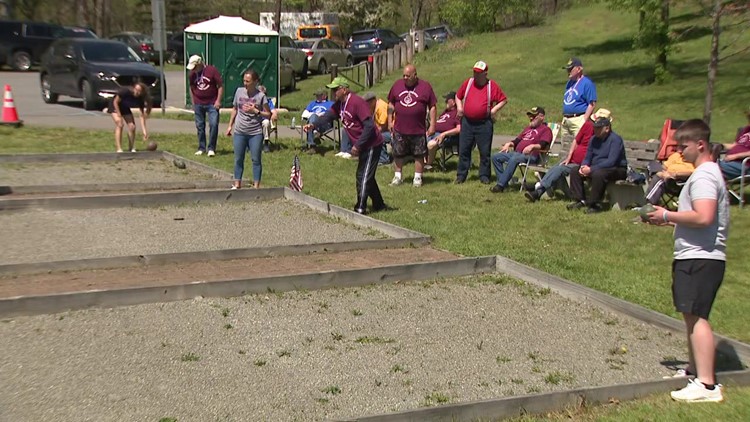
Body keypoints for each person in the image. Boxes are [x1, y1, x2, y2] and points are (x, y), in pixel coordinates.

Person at [645, 119, 729, 403]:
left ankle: (707, 384)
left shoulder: (704, 175)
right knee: (690, 315)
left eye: (684, 146)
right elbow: (701, 221)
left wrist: (667, 215)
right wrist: (667, 222)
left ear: (700, 144)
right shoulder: (706, 174)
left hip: (701, 257)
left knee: (697, 318)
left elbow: (704, 216)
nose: (680, 152)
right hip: (696, 252)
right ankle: (695, 370)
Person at [304, 77, 388, 214]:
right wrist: (313, 124)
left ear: (344, 89)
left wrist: (358, 145)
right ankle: (379, 204)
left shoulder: (357, 102)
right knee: (368, 175)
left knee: (363, 175)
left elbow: (369, 126)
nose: (334, 92)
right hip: (362, 144)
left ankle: (360, 206)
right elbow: (328, 116)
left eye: (336, 89)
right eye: (332, 89)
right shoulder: (340, 104)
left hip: (372, 143)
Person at [524, 108, 609, 202]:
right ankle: (538, 191)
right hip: (571, 159)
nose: (594, 124)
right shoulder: (588, 125)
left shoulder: (603, 137)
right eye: (594, 121)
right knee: (555, 167)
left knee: (559, 169)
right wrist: (569, 156)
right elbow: (576, 140)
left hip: (581, 164)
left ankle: (538, 188)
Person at [455, 60, 508, 184]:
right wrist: (459, 108)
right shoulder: (468, 83)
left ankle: (484, 175)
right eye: (474, 72)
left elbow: (503, 100)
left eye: (478, 73)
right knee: (464, 149)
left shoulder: (491, 86)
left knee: (484, 151)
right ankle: (461, 175)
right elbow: (458, 96)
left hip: (484, 123)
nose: (476, 75)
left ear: (485, 73)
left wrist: (494, 110)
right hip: (467, 122)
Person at [387, 64, 437, 187]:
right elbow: (391, 104)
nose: (405, 78)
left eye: (408, 76)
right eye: (403, 75)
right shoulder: (397, 85)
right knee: (398, 153)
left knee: (419, 154)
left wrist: (432, 125)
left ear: (415, 75)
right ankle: (397, 176)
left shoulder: (425, 87)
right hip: (400, 128)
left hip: (418, 129)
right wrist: (389, 121)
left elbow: (432, 106)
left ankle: (418, 177)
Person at [567, 114, 627, 213]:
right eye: (595, 128)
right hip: (598, 167)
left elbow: (612, 161)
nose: (595, 130)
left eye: (599, 128)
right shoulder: (593, 139)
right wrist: (584, 166)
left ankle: (594, 204)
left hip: (617, 169)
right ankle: (580, 200)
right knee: (574, 171)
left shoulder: (615, 139)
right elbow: (588, 157)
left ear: (607, 128)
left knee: (599, 174)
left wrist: (591, 169)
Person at [489, 107, 552, 193]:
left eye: (534, 116)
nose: (531, 118)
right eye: (530, 116)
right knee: (496, 157)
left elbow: (543, 145)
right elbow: (517, 140)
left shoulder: (546, 130)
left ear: (541, 117)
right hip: (517, 153)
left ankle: (500, 186)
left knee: (514, 159)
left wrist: (532, 146)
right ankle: (504, 183)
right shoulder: (528, 128)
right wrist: (509, 144)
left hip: (531, 156)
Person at [226, 70, 271, 190]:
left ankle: (256, 186)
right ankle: (237, 184)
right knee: (238, 158)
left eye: (248, 81)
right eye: (244, 80)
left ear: (255, 82)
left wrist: (256, 111)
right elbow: (235, 109)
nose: (245, 83)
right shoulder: (239, 92)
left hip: (255, 132)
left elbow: (269, 114)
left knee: (256, 159)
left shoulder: (261, 96)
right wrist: (230, 125)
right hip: (240, 131)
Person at [187, 55, 223, 157]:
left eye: (194, 67)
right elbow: (191, 87)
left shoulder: (212, 70)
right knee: (200, 126)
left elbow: (220, 85)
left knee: (214, 124)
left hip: (212, 103)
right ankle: (201, 147)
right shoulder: (192, 74)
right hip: (198, 103)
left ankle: (211, 148)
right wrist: (193, 102)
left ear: (199, 64)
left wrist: (218, 101)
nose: (193, 69)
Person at [107, 82, 151, 153]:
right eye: (136, 90)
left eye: (139, 91)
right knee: (120, 124)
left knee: (132, 126)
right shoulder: (125, 91)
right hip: (115, 106)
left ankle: (131, 147)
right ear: (133, 88)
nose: (137, 92)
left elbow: (142, 116)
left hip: (124, 107)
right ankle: (119, 148)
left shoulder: (140, 99)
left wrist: (144, 131)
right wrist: (119, 115)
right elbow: (115, 102)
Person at [561, 57, 596, 141]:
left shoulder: (587, 83)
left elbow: (592, 103)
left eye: (570, 69)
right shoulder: (569, 83)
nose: (568, 72)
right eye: (567, 70)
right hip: (566, 119)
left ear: (579, 69)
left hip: (578, 118)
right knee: (565, 147)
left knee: (578, 145)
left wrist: (584, 120)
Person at [425, 91, 461, 171]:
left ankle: (428, 164)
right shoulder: (446, 112)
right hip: (433, 133)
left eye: (447, 100)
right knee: (418, 139)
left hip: (445, 136)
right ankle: (421, 161)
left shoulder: (457, 113)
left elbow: (459, 129)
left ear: (453, 102)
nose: (445, 102)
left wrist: (444, 134)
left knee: (431, 144)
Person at [716, 108, 750, 180]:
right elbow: (735, 145)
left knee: (709, 166)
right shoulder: (747, 129)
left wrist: (735, 156)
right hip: (730, 162)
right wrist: (718, 145)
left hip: (745, 164)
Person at [301, 89, 335, 155]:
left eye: (319, 95)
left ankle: (312, 146)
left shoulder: (330, 104)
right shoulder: (312, 103)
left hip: (325, 124)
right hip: (312, 121)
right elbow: (304, 114)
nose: (317, 97)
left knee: (311, 123)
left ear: (325, 96)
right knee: (313, 117)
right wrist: (314, 115)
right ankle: (315, 133)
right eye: (316, 95)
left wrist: (322, 115)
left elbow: (331, 115)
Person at [362, 92, 392, 165]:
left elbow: (383, 126)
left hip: (392, 132)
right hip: (385, 131)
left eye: (366, 103)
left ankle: (383, 159)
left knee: (377, 137)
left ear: (372, 101)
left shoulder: (381, 107)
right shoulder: (373, 108)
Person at [258, 85, 279, 153]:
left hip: (264, 120)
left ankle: (266, 143)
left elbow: (273, 111)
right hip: (254, 120)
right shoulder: (254, 100)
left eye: (263, 94)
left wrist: (274, 114)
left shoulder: (268, 102)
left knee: (266, 122)